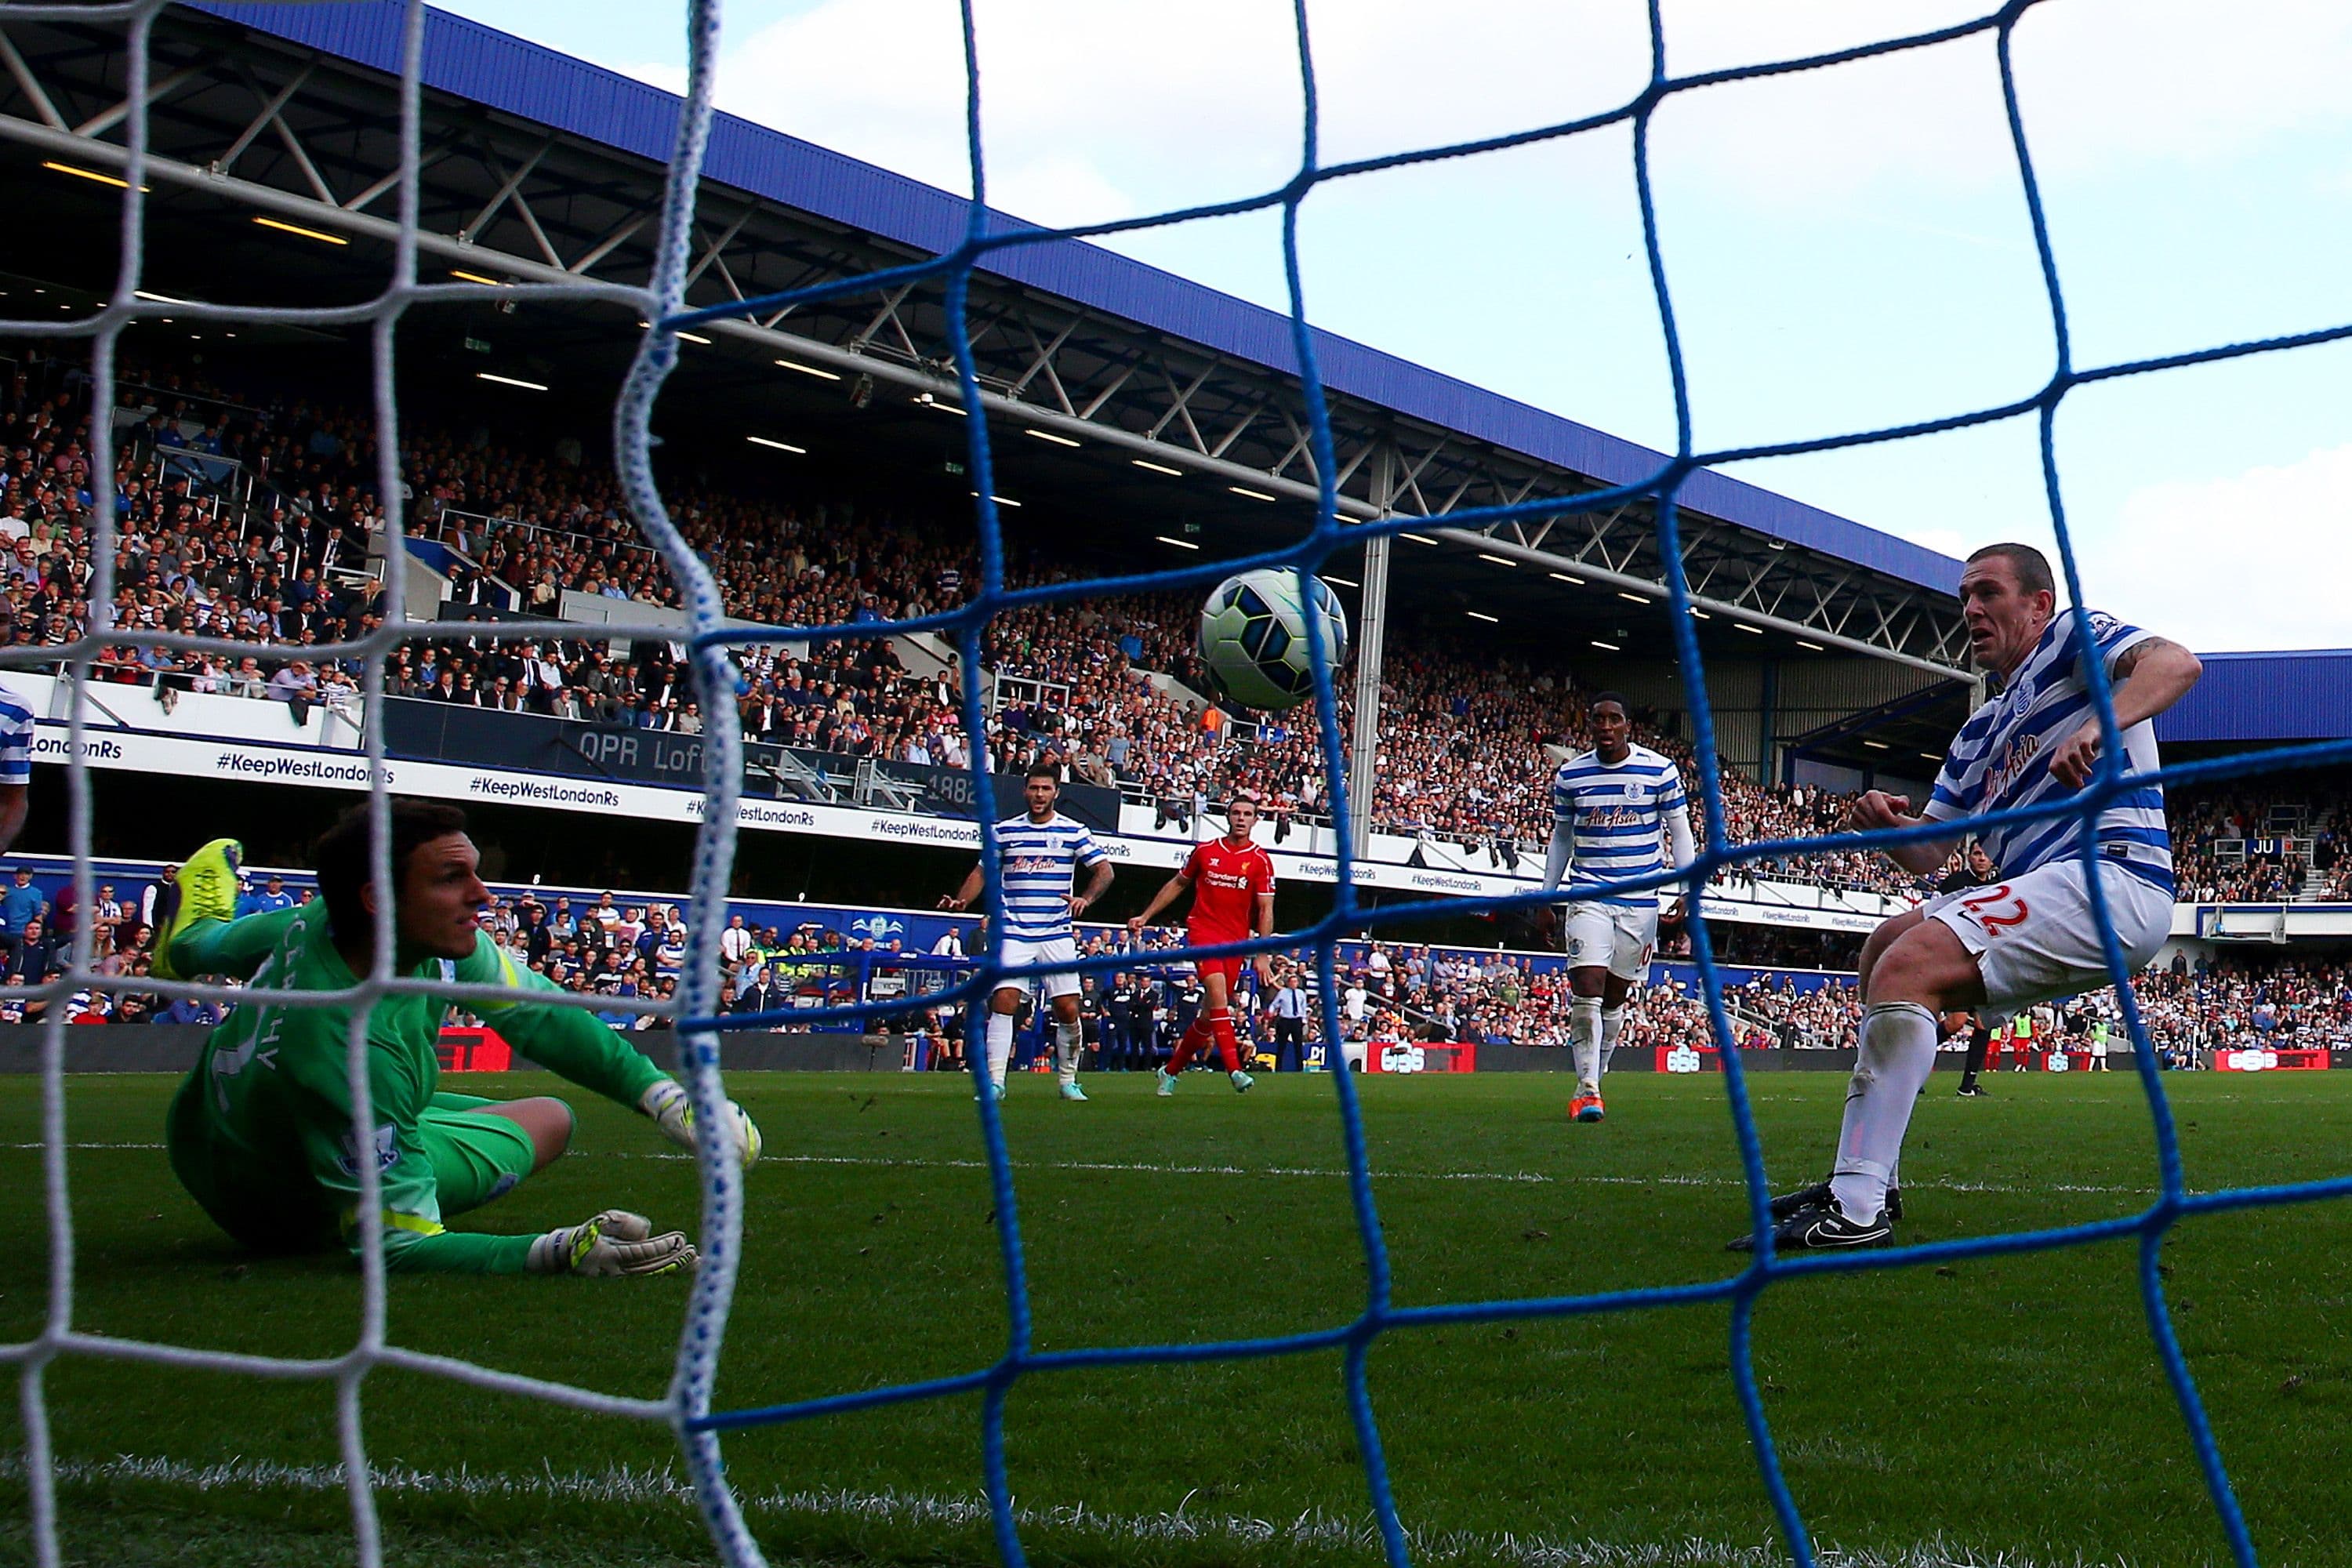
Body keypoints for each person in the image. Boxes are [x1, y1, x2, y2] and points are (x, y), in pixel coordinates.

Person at [1736, 543, 2200, 1250]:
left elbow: (2178, 664)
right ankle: (1871, 1181)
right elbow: (1928, 851)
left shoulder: (2074, 637)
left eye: (1988, 593)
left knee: (1911, 962)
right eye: (1964, 598)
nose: (1971, 610)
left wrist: (2100, 722)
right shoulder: (1979, 729)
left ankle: (1856, 1211)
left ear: (2038, 603)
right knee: (1884, 947)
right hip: (2047, 885)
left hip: (2113, 878)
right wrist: (1883, 827)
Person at [157, 801, 762, 1276]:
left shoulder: (320, 920)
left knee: (198, 944)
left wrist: (663, 1098)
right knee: (549, 1120)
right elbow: (397, 1247)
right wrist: (555, 1251)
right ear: (378, 899)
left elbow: (539, 1016)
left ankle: (177, 935)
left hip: (206, 1128)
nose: (484, 895)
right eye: (454, 878)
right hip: (277, 1206)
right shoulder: (350, 1056)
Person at [1541, 691, 1694, 1123]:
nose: (1605, 726)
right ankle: (1587, 1089)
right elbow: (1562, 838)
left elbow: (1679, 831)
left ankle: (1597, 1074)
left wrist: (1687, 886)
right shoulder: (1571, 776)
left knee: (1615, 994)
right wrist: (1548, 892)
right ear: (1589, 725)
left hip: (1640, 902)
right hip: (1588, 893)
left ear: (1628, 725)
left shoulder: (1658, 770)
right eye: (1597, 719)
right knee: (1586, 983)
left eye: (1613, 719)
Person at [940, 764, 1114, 1102]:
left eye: (1045, 789)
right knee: (1004, 1001)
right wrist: (962, 899)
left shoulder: (1073, 831)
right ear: (1025, 791)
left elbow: (1104, 871)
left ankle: (1067, 1080)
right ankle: (995, 1082)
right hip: (1015, 931)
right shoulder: (1005, 831)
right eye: (1033, 788)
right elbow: (982, 871)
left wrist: (1086, 898)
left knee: (1067, 1009)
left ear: (1056, 793)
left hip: (1056, 933)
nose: (1039, 795)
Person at [1127, 793, 1276, 1096]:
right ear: (1228, 816)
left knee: (1209, 1018)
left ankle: (1169, 1071)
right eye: (1236, 813)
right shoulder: (1206, 851)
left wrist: (1262, 953)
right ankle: (1234, 1069)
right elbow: (1178, 884)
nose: (1241, 819)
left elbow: (1265, 909)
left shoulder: (1260, 860)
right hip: (1203, 933)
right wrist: (1146, 915)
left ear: (1255, 820)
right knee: (1219, 996)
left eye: (1248, 814)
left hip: (1235, 942)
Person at [1940, 840, 2000, 1098]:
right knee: (1955, 1023)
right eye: (1977, 853)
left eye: (1986, 854)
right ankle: (1909, 1063)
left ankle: (1967, 1086)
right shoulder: (1955, 883)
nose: (1982, 858)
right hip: (1960, 958)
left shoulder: (2002, 884)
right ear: (1969, 857)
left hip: (1987, 960)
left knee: (1984, 1023)